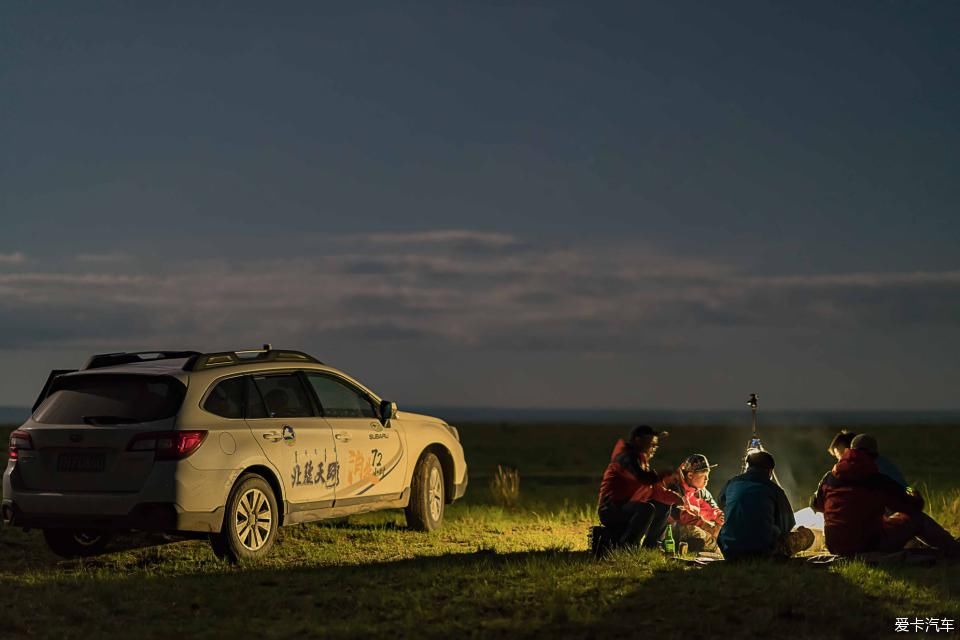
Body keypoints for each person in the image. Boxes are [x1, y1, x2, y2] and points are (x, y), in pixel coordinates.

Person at [812, 433, 960, 557]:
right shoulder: (879, 478)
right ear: (874, 455)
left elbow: (815, 504)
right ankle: (953, 548)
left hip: (835, 546)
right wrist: (912, 491)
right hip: (867, 544)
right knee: (917, 518)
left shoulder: (830, 477)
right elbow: (911, 501)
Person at [595, 425, 684, 553]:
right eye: (652, 444)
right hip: (611, 509)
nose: (654, 448)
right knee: (646, 508)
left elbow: (653, 490)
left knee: (663, 506)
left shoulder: (640, 461)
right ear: (638, 441)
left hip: (627, 507)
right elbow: (643, 478)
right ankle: (627, 548)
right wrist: (665, 474)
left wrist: (675, 498)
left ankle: (650, 548)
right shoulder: (626, 458)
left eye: (656, 445)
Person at [717, 450, 814, 560]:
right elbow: (787, 525)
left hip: (730, 550)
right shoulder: (774, 489)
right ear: (770, 471)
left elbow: (722, 503)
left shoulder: (731, 483)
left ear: (747, 467)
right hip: (764, 552)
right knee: (808, 534)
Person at [668, 454, 724, 553]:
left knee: (720, 530)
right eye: (704, 475)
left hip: (700, 527)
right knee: (694, 531)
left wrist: (720, 519)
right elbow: (681, 515)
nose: (707, 479)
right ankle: (714, 546)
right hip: (675, 528)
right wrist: (706, 526)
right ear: (690, 475)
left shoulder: (702, 492)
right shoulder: (676, 488)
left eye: (708, 475)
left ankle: (697, 545)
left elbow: (712, 510)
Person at [827, 429, 907, 487]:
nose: (840, 461)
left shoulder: (871, 469)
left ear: (853, 450)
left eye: (841, 455)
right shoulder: (880, 463)